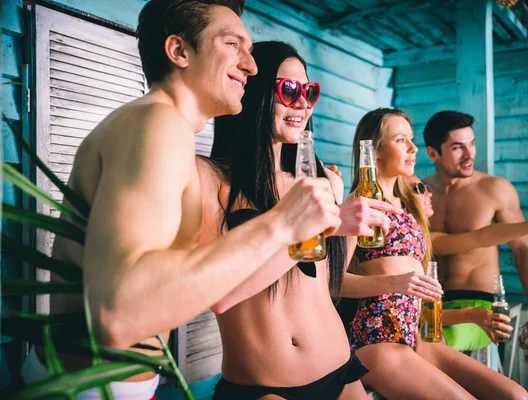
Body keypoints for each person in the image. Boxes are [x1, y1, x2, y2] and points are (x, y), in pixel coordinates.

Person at [22, 1, 341, 398]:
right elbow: (120, 317)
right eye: (232, 44)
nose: (251, 66)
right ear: (179, 51)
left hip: (111, 383)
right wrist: (281, 224)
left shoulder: (162, 130)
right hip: (88, 389)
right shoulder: (157, 123)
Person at [206, 40, 418, 400]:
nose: (302, 103)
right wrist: (326, 226)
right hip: (263, 385)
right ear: (254, 93)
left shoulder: (325, 181)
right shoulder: (214, 182)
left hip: (340, 368)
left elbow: (329, 281)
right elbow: (220, 298)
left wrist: (350, 225)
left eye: (309, 91)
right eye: (289, 90)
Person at [345, 108, 528, 400]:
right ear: (374, 152)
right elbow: (335, 282)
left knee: (516, 395)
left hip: (416, 336)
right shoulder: (362, 202)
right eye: (400, 140)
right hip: (378, 339)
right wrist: (393, 284)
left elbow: (416, 306)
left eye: (411, 139)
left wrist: (472, 314)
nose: (413, 148)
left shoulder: (408, 208)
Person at [422, 110, 528, 362]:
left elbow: (524, 249)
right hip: (431, 305)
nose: (470, 155)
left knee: (431, 342)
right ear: (433, 153)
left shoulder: (495, 190)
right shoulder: (419, 194)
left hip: (480, 305)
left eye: (472, 144)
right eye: (458, 147)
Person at [406, 174, 528, 344]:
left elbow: (481, 237)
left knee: (429, 342)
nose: (429, 193)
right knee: (421, 340)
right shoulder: (406, 241)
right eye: (420, 188)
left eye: (427, 187)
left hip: (467, 310)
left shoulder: (427, 239)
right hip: (432, 315)